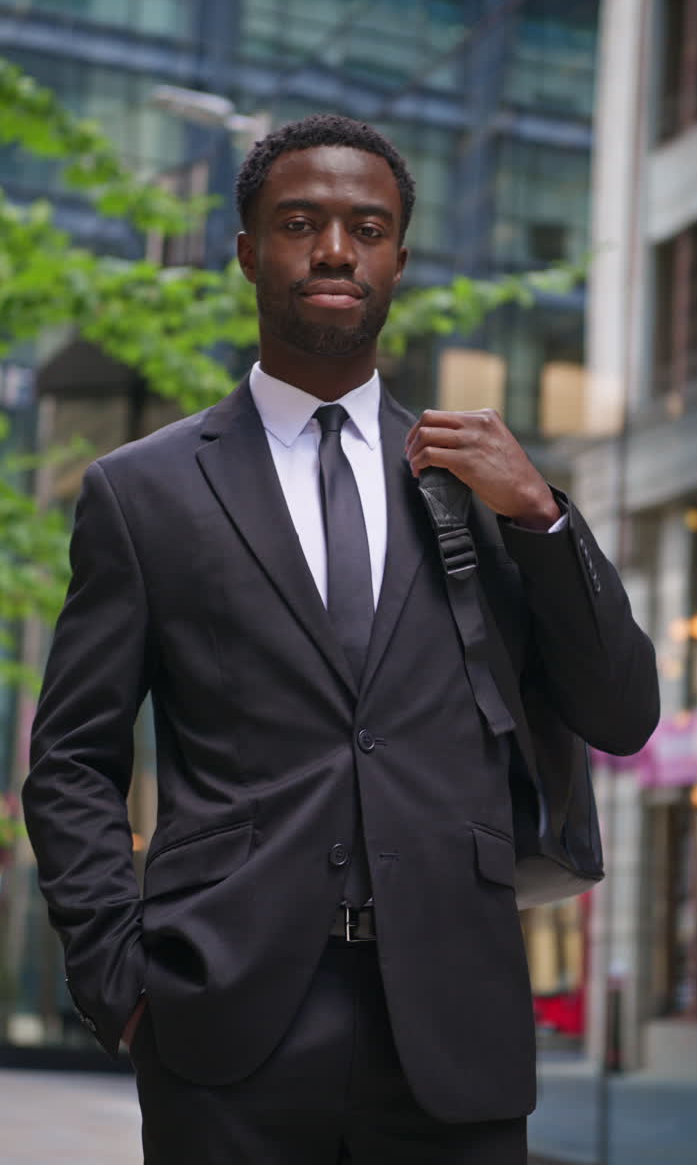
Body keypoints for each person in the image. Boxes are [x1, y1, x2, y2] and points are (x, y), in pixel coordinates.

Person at [22, 115, 659, 1164]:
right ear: (246, 251)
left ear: (398, 260)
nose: (333, 249)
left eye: (366, 228)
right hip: (223, 1027)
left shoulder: (479, 482)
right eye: (300, 223)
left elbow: (622, 713)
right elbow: (74, 760)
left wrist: (542, 515)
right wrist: (123, 983)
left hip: (452, 1032)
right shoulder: (142, 493)